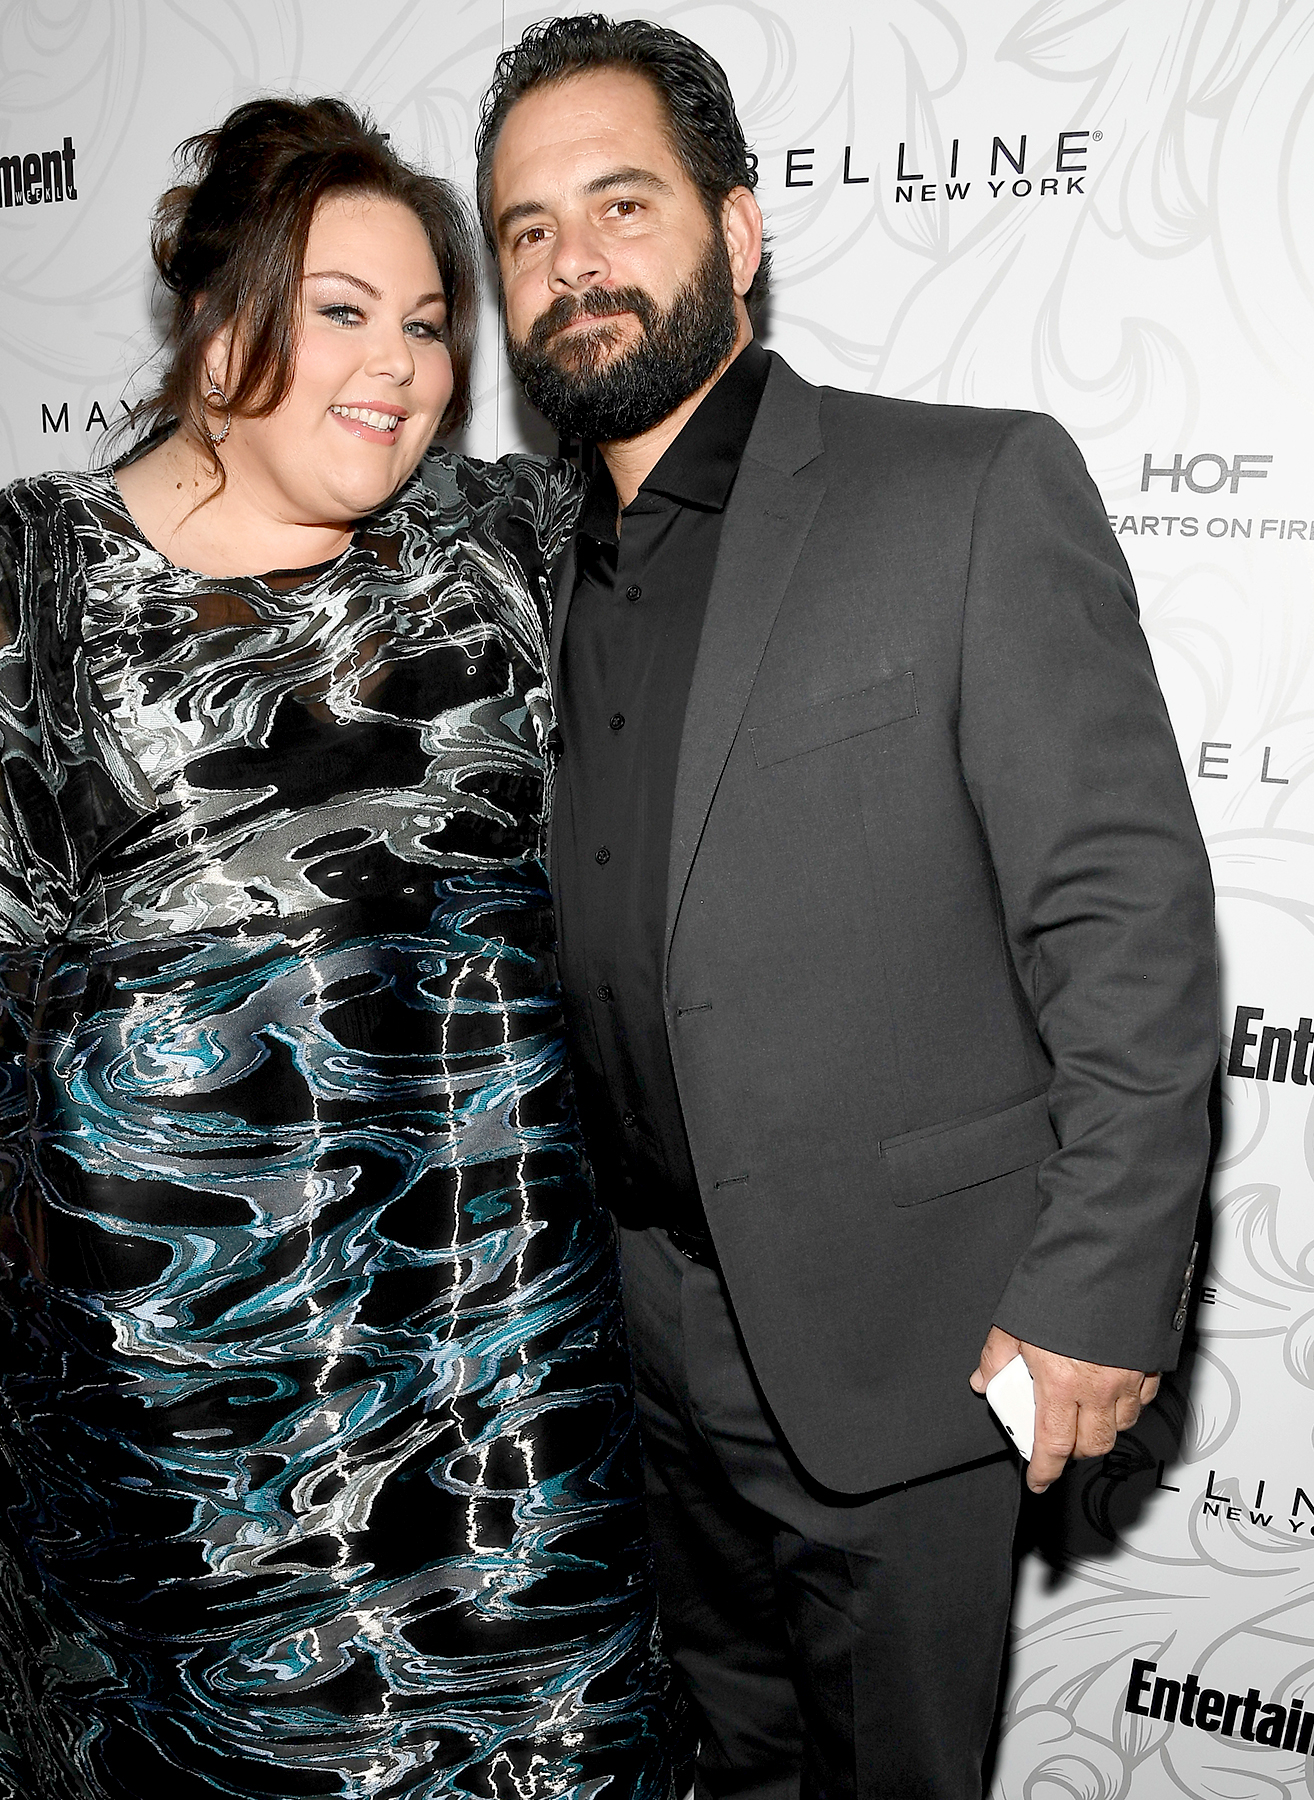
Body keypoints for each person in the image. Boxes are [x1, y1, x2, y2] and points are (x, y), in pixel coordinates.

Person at [0, 97, 684, 1800]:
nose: (395, 365)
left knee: (546, 1737)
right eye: (342, 311)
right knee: (226, 1749)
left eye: (424, 325)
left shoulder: (493, 547)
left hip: (500, 1340)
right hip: (171, 1364)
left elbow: (695, 491)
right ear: (219, 320)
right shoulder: (24, 586)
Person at [475, 16, 1218, 1798]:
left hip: (903, 1344)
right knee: (719, 1764)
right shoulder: (507, 564)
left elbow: (1123, 920)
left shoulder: (959, 490)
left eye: (620, 203)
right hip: (625, 1341)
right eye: (522, 230)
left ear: (736, 234)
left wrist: (1101, 1291)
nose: (572, 262)